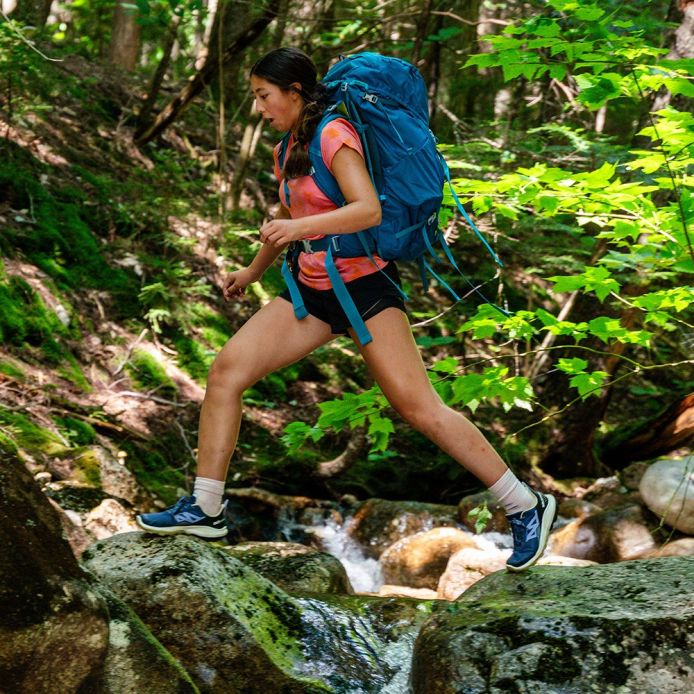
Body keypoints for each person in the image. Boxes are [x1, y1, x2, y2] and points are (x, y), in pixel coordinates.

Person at [136, 47, 556, 572]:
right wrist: (253, 270)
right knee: (226, 373)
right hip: (311, 291)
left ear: (294, 92)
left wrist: (296, 229)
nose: (259, 108)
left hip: (365, 289)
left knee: (419, 408)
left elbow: (367, 209)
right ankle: (205, 507)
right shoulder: (288, 146)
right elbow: (288, 211)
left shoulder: (335, 134)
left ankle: (525, 504)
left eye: (264, 96)